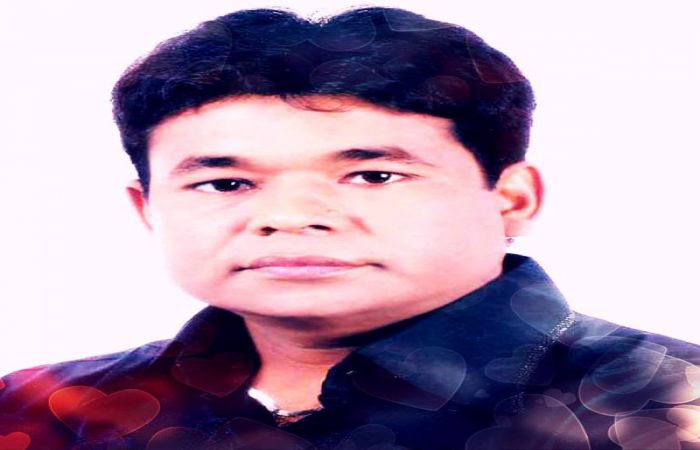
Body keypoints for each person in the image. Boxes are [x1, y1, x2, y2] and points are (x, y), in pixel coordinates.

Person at [0, 6, 698, 450]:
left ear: (512, 199)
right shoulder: (45, 412)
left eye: (373, 175)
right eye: (225, 183)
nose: (287, 217)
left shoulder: (671, 407)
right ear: (147, 208)